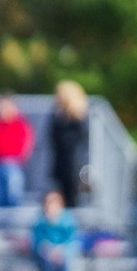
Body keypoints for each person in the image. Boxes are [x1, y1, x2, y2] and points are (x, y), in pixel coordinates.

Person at [0, 94, 32, 208]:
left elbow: (26, 142)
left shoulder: (19, 124)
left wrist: (21, 156)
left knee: (13, 193)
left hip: (13, 163)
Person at [47, 80, 90, 208]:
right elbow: (53, 137)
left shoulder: (78, 118)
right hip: (61, 164)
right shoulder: (58, 116)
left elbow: (76, 139)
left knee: (72, 199)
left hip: (74, 165)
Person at [30, 190, 77, 271]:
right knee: (47, 264)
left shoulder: (68, 220)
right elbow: (37, 240)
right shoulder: (40, 221)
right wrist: (49, 250)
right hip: (46, 253)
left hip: (63, 252)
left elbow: (72, 239)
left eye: (53, 202)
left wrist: (60, 250)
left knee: (64, 264)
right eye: (48, 202)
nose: (50, 205)